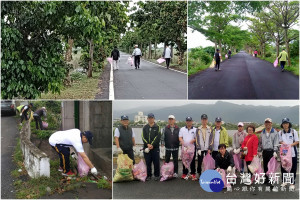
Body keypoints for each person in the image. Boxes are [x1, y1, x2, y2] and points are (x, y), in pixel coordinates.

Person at [278, 118, 299, 191]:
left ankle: (292, 183)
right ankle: (284, 181)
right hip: (284, 152)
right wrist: (283, 144)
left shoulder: (294, 131)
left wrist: (290, 145)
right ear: (282, 125)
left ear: (289, 124)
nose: (285, 125)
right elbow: (280, 141)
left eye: (287, 123)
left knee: (293, 168)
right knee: (284, 166)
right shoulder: (280, 132)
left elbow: (297, 141)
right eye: (284, 123)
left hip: (292, 153)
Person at [258, 118, 279, 187]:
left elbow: (276, 142)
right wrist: (259, 151)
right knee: (265, 166)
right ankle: (266, 179)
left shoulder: (275, 132)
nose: (267, 124)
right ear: (264, 124)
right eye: (266, 123)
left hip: (272, 152)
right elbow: (260, 143)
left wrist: (275, 151)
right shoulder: (262, 132)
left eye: (269, 122)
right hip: (265, 151)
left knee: (272, 167)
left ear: (271, 123)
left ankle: (271, 180)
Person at [142, 113, 161, 181]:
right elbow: (143, 137)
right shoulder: (145, 127)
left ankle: (157, 175)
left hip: (155, 148)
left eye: (152, 118)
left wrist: (152, 144)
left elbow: (158, 137)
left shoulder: (158, 127)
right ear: (147, 119)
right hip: (146, 148)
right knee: (148, 162)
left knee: (156, 162)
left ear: (154, 118)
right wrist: (147, 144)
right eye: (149, 118)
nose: (150, 119)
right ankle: (149, 175)